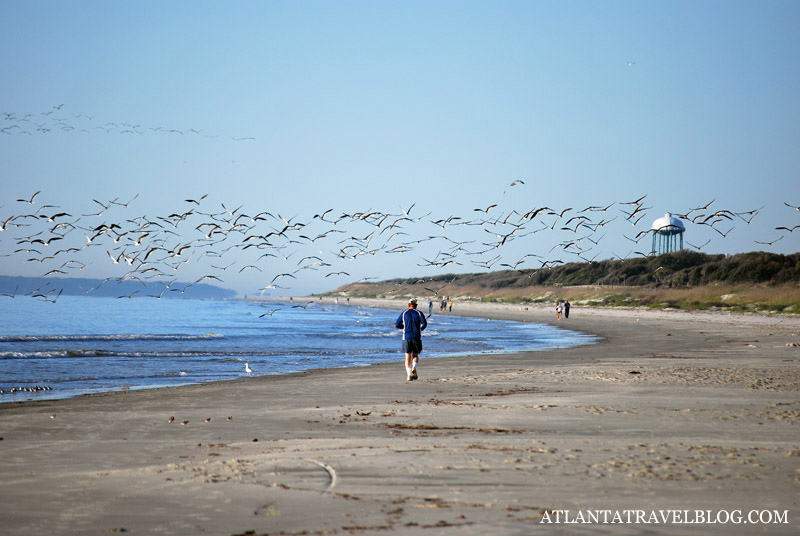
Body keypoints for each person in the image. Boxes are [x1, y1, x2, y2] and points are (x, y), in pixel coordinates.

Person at [395, 298, 427, 381]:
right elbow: (424, 323)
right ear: (416, 306)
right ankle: (414, 367)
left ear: (408, 305)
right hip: (417, 337)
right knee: (415, 355)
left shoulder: (404, 313)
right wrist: (421, 329)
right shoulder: (419, 313)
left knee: (407, 356)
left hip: (406, 337)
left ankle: (409, 375)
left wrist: (405, 327)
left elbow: (397, 324)